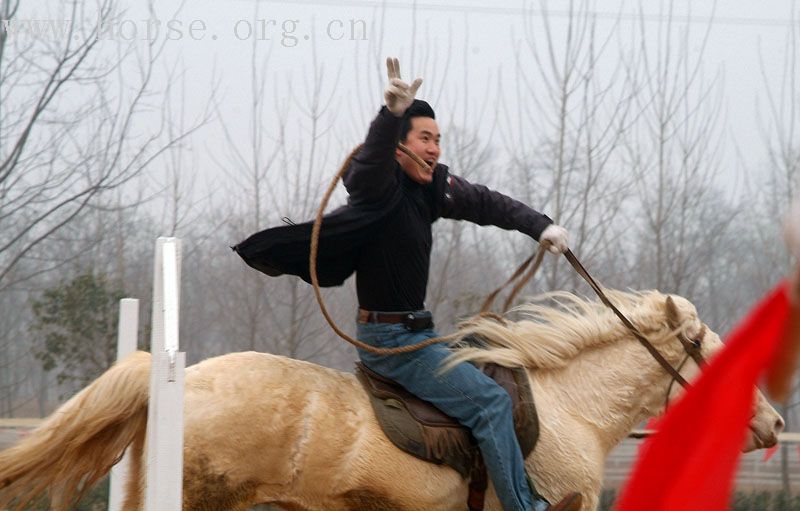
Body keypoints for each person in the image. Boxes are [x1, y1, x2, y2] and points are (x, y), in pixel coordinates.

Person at [234, 57, 581, 511]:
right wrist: (389, 115)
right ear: (402, 147)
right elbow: (373, 162)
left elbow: (487, 202)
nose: (435, 148)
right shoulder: (381, 187)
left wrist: (540, 227)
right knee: (492, 403)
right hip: (392, 341)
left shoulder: (431, 189)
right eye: (425, 138)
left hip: (420, 332)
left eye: (438, 139)